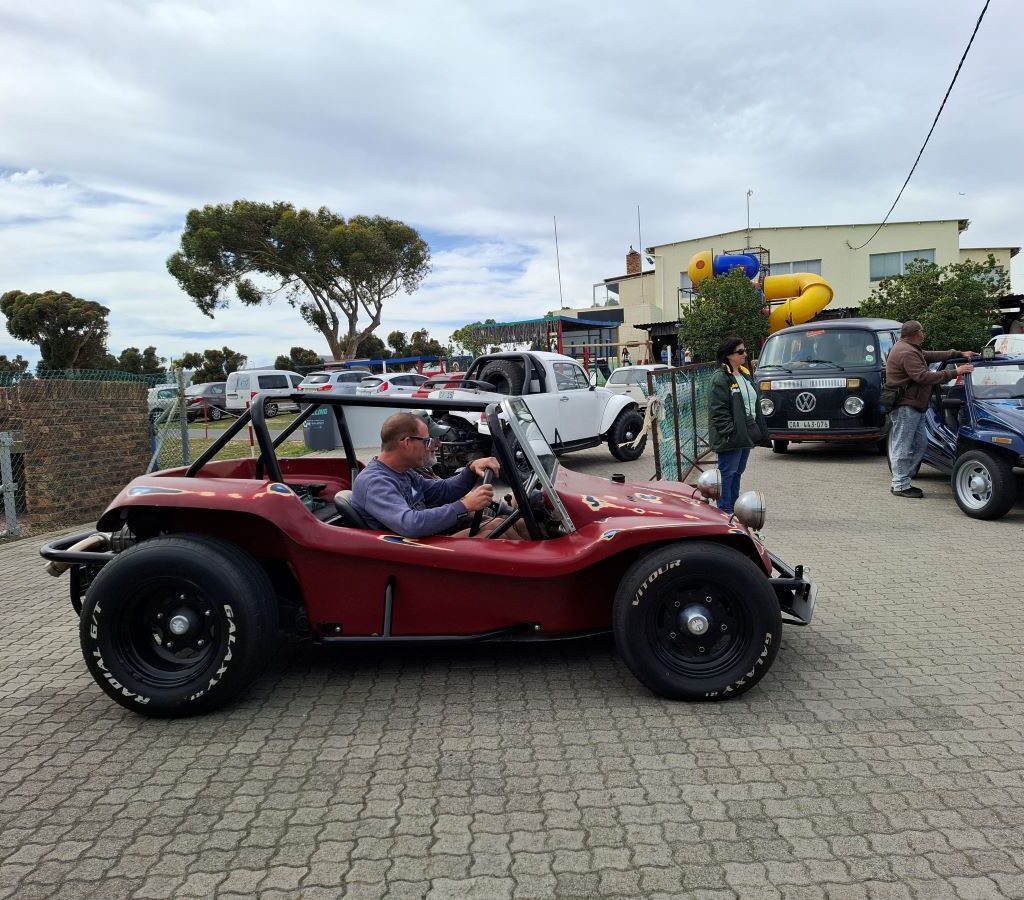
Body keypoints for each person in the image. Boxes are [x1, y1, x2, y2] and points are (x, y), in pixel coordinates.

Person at [351, 413, 525, 538]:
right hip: (412, 554)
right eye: (426, 441)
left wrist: (471, 469)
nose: (432, 446)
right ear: (407, 443)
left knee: (501, 524)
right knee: (495, 534)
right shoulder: (374, 482)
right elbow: (411, 523)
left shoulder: (403, 473)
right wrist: (464, 505)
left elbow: (441, 491)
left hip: (426, 541)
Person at [886, 321, 976, 498]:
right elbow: (923, 376)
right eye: (922, 331)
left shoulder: (911, 348)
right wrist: (955, 373)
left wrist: (958, 354)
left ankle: (903, 479)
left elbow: (930, 355)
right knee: (903, 446)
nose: (924, 334)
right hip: (906, 407)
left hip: (915, 406)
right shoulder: (906, 352)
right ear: (914, 333)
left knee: (920, 444)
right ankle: (900, 485)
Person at [708, 336, 770, 514]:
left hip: (745, 432)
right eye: (740, 352)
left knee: (737, 472)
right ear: (729, 355)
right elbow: (718, 411)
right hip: (732, 436)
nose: (744, 354)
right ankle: (725, 510)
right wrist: (730, 432)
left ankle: (733, 507)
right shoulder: (721, 378)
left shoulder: (743, 374)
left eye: (744, 350)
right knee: (727, 473)